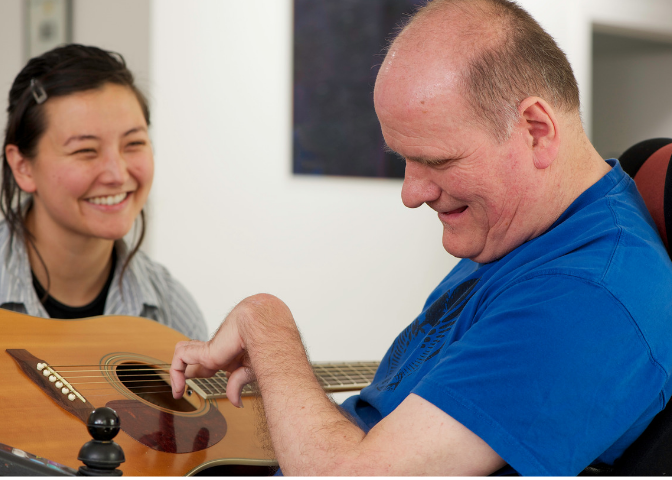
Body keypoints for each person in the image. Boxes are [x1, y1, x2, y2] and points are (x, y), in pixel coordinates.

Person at [170, 0, 672, 475]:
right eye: (403, 160)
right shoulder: (521, 233)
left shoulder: (586, 296)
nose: (412, 194)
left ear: (536, 130)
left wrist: (266, 325)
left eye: (437, 161)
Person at [1, 44, 207, 340]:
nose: (117, 174)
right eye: (86, 151)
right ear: (22, 166)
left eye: (134, 144)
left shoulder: (172, 311)